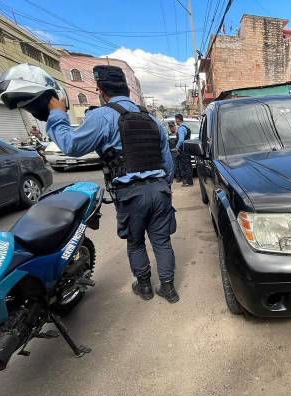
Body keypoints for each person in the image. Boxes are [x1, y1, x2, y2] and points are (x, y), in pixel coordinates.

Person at [45, 65, 179, 303]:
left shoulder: (101, 116)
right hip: (159, 190)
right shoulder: (152, 119)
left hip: (130, 194)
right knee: (162, 241)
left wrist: (57, 114)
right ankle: (168, 288)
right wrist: (163, 187)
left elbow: (71, 146)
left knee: (136, 242)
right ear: (128, 90)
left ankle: (145, 287)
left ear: (100, 91)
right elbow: (168, 163)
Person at [174, 114, 193, 187]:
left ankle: (188, 182)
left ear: (178, 119)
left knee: (186, 165)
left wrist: (176, 147)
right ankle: (189, 181)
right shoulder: (186, 127)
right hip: (187, 148)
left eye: (176, 119)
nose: (175, 121)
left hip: (183, 150)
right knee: (188, 165)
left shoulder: (181, 128)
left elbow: (181, 140)